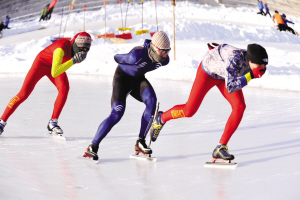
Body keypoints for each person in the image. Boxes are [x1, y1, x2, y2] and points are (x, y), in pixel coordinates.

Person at [150, 43, 268, 162]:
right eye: (259, 64)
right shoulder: (235, 59)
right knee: (189, 110)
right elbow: (231, 87)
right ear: (250, 60)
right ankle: (161, 118)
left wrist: (217, 50)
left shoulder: (250, 60)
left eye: (264, 65)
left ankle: (220, 148)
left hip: (223, 76)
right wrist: (250, 75)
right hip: (208, 73)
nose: (262, 67)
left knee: (240, 106)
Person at [83, 31, 171, 161]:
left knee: (152, 101)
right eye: (162, 51)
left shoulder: (164, 61)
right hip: (122, 79)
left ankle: (140, 142)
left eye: (167, 51)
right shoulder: (136, 56)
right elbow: (116, 57)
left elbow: (153, 62)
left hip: (138, 80)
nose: (165, 55)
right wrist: (129, 63)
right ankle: (92, 146)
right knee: (117, 114)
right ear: (153, 47)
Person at [0, 32, 92, 136]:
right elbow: (55, 72)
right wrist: (73, 60)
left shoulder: (78, 51)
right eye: (82, 48)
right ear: (76, 44)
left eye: (86, 49)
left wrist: (73, 60)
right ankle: (1, 122)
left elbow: (59, 67)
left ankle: (53, 122)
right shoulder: (61, 48)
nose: (84, 51)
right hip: (41, 64)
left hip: (55, 66)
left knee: (64, 88)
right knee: (23, 94)